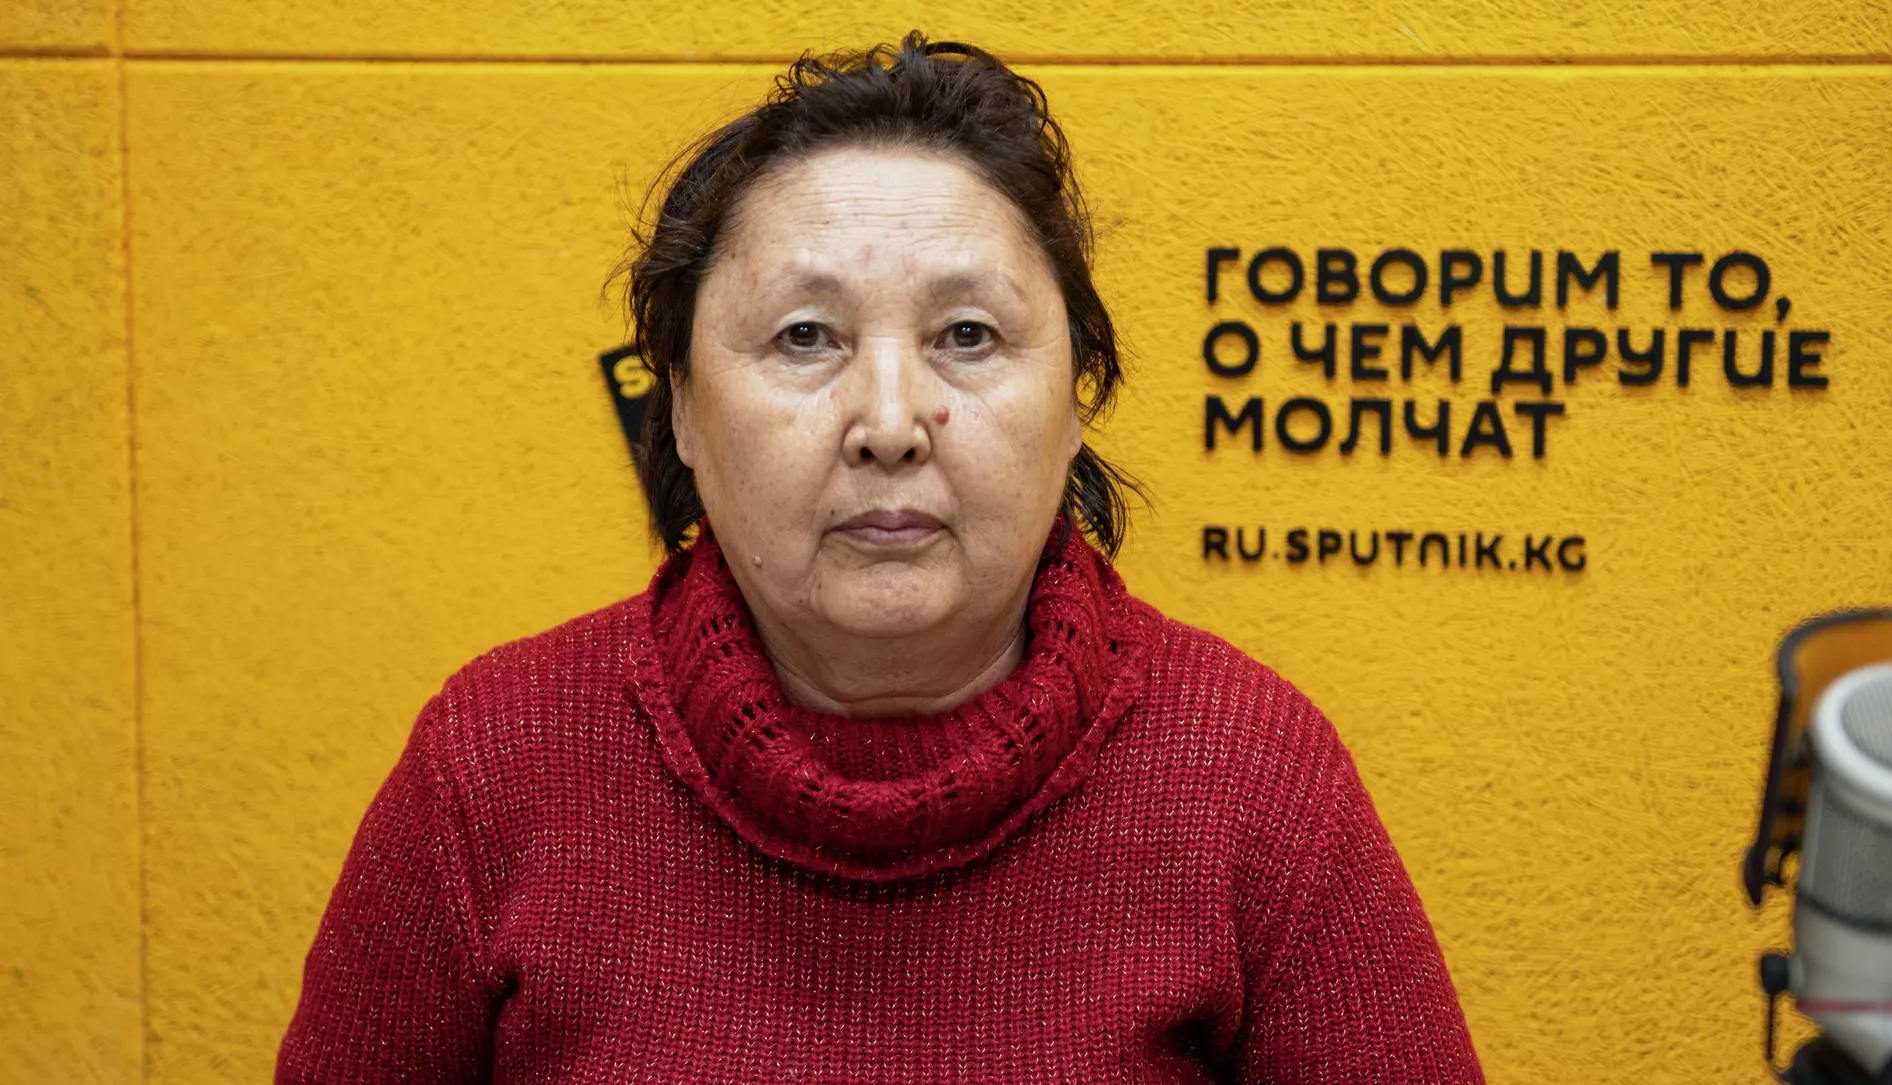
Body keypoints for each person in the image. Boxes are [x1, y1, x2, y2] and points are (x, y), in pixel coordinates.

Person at [277, 33, 1483, 1084]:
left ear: (1076, 399)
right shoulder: (492, 764)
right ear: (682, 409)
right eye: (806, 335)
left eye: (969, 333)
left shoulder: (1255, 778)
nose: (891, 422)